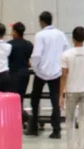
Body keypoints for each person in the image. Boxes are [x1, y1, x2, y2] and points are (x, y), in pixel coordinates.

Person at [28, 11, 69, 139]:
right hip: (56, 72)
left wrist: (35, 68)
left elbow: (36, 55)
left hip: (41, 73)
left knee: (35, 99)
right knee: (56, 101)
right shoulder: (60, 34)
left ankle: (33, 127)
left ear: (41, 22)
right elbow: (66, 51)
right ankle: (56, 130)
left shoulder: (40, 35)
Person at [6, 21, 33, 122]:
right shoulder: (29, 44)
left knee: (12, 99)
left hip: (13, 74)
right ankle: (21, 119)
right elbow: (28, 58)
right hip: (25, 74)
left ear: (15, 32)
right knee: (20, 98)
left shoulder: (9, 45)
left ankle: (15, 121)